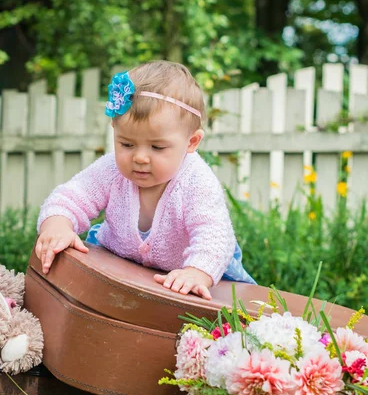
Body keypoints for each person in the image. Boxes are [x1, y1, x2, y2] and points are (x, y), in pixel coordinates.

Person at [36, 60, 255, 300]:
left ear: (191, 142)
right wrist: (57, 224)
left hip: (191, 272)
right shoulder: (111, 169)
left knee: (219, 319)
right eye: (126, 144)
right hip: (119, 262)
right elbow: (73, 195)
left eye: (157, 147)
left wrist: (196, 272)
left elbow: (213, 234)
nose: (140, 157)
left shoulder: (196, 181)